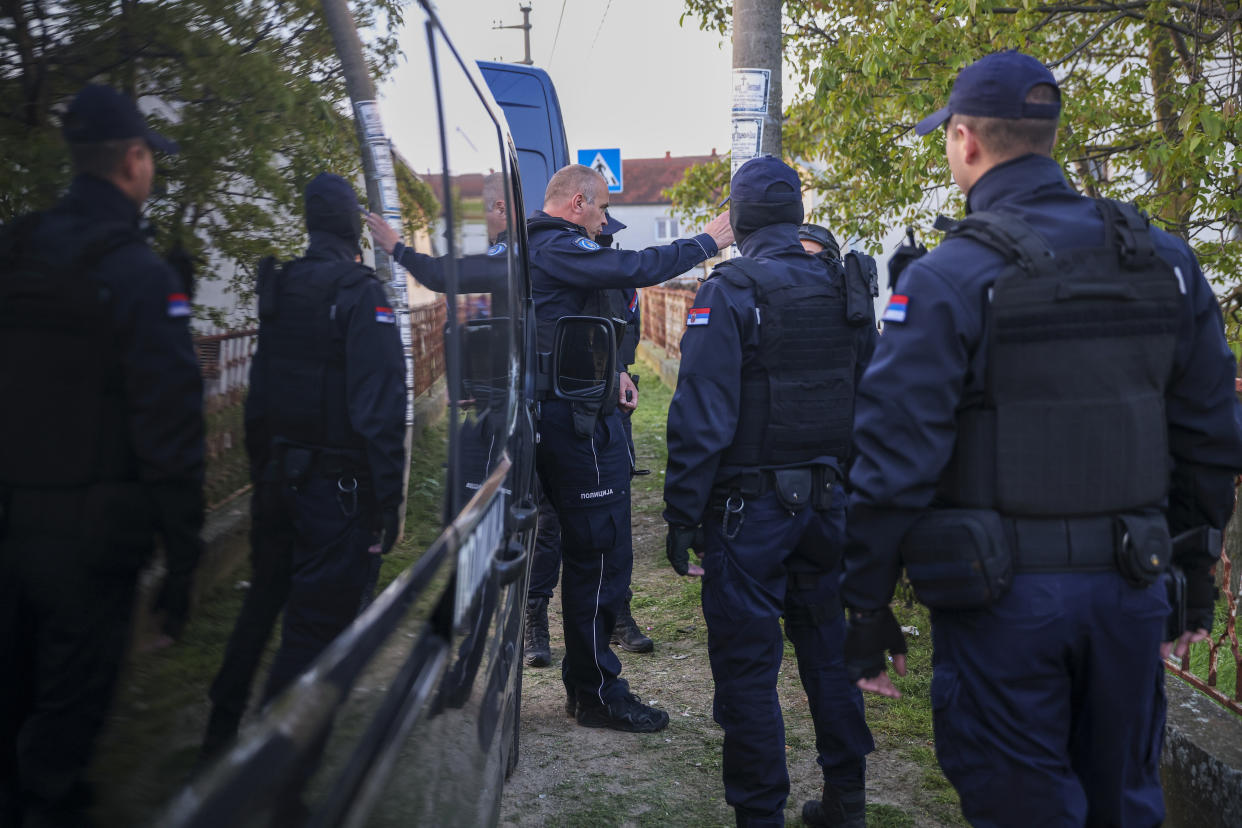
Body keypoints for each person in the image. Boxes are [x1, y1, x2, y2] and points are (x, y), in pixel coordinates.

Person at [841, 50, 1242, 827]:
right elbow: (1210, 436)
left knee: (1022, 806)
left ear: (965, 141)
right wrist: (1191, 573)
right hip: (1131, 587)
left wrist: (865, 608)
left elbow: (894, 462)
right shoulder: (1166, 262)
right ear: (1049, 136)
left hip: (1002, 604)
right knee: (1124, 803)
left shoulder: (948, 277)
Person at [0, 83, 204, 826]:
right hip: (88, 554)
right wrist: (184, 559)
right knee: (60, 754)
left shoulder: (15, 248)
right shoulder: (140, 277)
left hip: (8, 531)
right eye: (151, 157)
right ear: (132, 160)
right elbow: (170, 436)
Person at [662, 157, 877, 827]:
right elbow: (871, 395)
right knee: (829, 653)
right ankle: (847, 799)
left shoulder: (730, 290)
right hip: (828, 503)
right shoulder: (846, 283)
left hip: (749, 512)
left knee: (750, 670)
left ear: (742, 220)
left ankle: (761, 816)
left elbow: (702, 414)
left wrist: (682, 514)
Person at [202, 173, 406, 756]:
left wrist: (266, 473)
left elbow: (257, 396)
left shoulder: (285, 285)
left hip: (277, 480)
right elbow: (380, 415)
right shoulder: (361, 292)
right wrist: (386, 502)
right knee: (315, 632)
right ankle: (274, 772)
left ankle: (216, 741)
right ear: (351, 226)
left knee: (261, 602)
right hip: (333, 496)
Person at [531, 163, 732, 732]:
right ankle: (596, 694)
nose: (603, 221)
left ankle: (585, 685)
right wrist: (708, 240)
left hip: (571, 409)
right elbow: (636, 266)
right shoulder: (559, 245)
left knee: (591, 554)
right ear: (576, 202)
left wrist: (613, 368)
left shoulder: (535, 247)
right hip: (575, 424)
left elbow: (576, 326)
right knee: (599, 556)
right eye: (599, 209)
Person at [523, 212, 654, 667]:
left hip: (609, 409)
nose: (603, 241)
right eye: (599, 231)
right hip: (564, 410)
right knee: (549, 523)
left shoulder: (617, 282)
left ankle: (619, 613)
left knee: (613, 521)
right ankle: (534, 617)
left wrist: (618, 371)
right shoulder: (567, 271)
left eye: (607, 238)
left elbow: (625, 335)